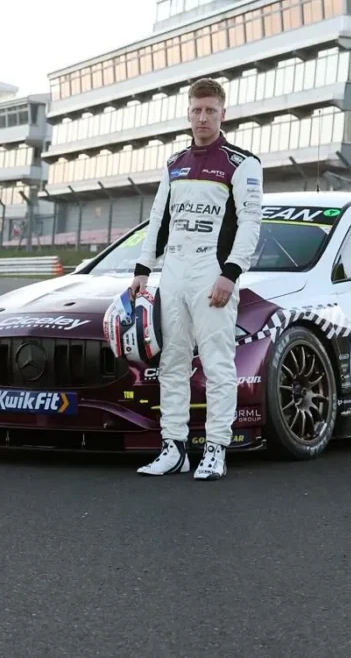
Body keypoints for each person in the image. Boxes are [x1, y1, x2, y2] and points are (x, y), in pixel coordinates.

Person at [129, 77, 263, 481]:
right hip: (172, 272)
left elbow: (251, 222)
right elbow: (159, 219)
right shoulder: (174, 163)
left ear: (224, 114)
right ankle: (174, 448)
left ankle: (216, 449)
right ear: (188, 113)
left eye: (211, 111)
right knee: (171, 363)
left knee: (218, 364)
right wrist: (142, 269)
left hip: (212, 273)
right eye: (197, 110)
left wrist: (231, 273)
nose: (203, 117)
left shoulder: (242, 163)